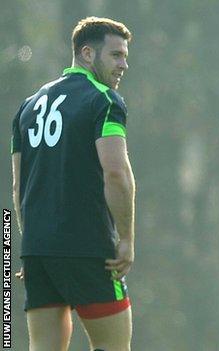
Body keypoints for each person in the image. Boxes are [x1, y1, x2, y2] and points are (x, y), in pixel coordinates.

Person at [11, 17, 135, 351]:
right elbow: (116, 174)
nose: (124, 64)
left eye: (125, 56)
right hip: (89, 248)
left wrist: (30, 245)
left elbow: (18, 187)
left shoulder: (28, 107)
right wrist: (125, 238)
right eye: (116, 55)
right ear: (87, 53)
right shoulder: (104, 101)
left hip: (38, 251)